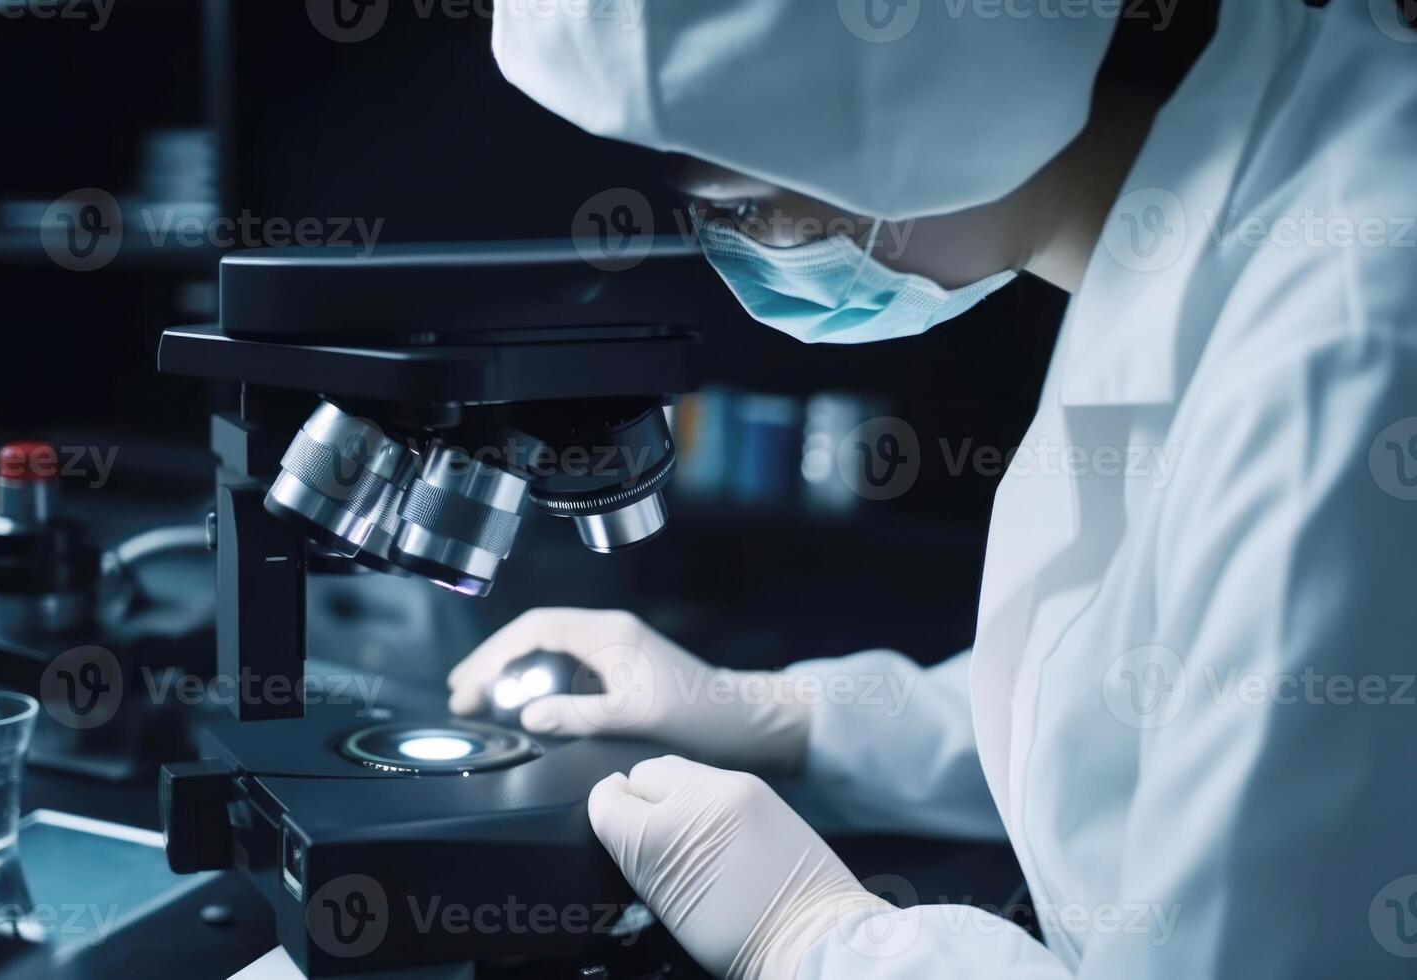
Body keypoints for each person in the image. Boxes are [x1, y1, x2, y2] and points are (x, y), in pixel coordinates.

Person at [450, 2, 1417, 977]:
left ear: (914, 98)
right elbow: (1162, 688)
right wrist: (793, 716)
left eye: (738, 204)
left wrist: (816, 937)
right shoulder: (1194, 211)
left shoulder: (1342, 351)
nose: (731, 250)